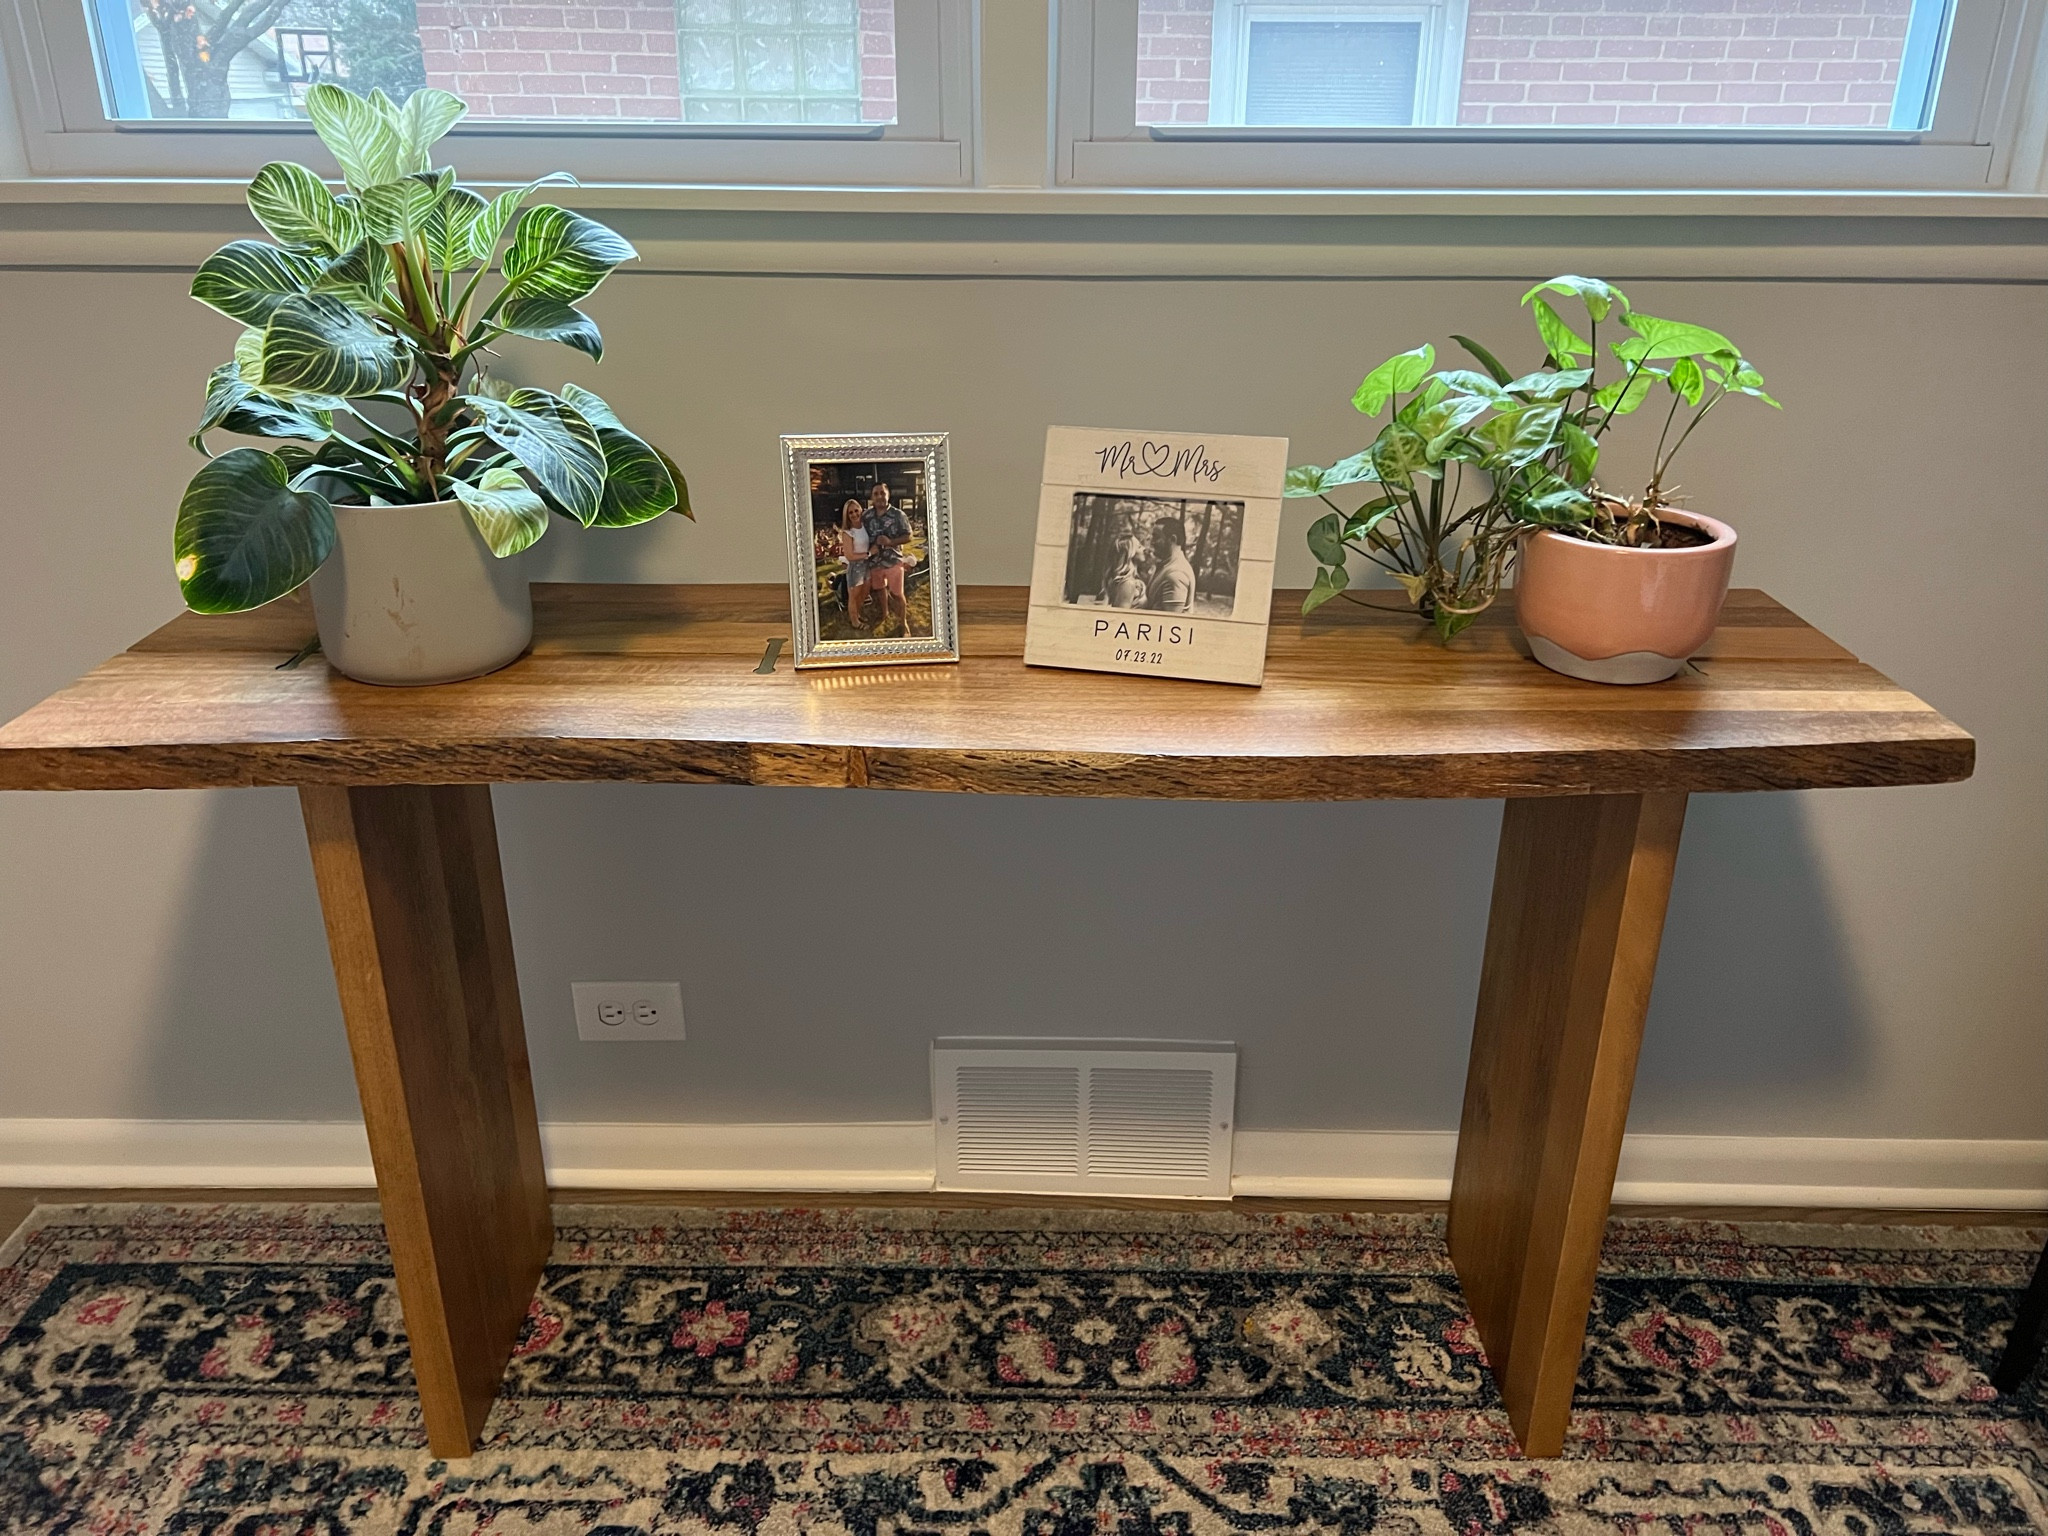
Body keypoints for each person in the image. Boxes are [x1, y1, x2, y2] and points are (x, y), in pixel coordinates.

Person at [863, 481, 915, 637]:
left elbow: (909, 536)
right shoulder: (866, 516)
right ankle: (885, 613)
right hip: (874, 562)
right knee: (879, 589)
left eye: (882, 493)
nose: (879, 496)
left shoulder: (898, 515)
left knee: (897, 594)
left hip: (893, 561)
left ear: (888, 495)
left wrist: (891, 542)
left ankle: (903, 622)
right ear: (872, 497)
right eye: (876, 494)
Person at [1145, 517, 1196, 613]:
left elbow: (1170, 622)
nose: (1152, 542)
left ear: (1173, 539)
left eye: (1156, 537)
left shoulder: (1175, 575)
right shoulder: (1167, 566)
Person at [836, 499, 870, 630]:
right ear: (847, 515)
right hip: (856, 566)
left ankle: (858, 613)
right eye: (850, 513)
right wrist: (868, 554)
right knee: (854, 595)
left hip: (867, 564)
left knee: (864, 593)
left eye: (856, 510)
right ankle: (855, 621)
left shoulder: (865, 526)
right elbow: (849, 556)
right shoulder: (847, 532)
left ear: (861, 510)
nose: (854, 514)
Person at [1100, 533, 1146, 608]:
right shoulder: (1127, 584)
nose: (1144, 548)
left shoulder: (1128, 582)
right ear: (1130, 553)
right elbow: (1122, 617)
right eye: (1139, 547)